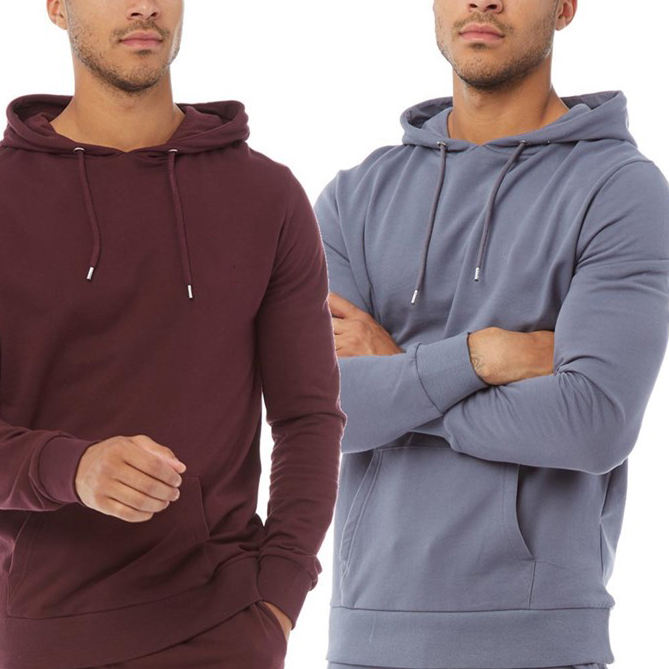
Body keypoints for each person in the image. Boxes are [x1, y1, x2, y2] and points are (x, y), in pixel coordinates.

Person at [314, 1, 669, 668]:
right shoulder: (354, 197)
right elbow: (316, 410)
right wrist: (480, 356)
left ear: (564, 8)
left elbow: (592, 421)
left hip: (535, 642)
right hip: (365, 637)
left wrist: (393, 369)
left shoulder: (620, 189)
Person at [0, 1, 345, 668]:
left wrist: (279, 597)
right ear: (57, 7)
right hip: (47, 635)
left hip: (224, 628)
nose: (144, 6)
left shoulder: (266, 194)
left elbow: (307, 415)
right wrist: (71, 467)